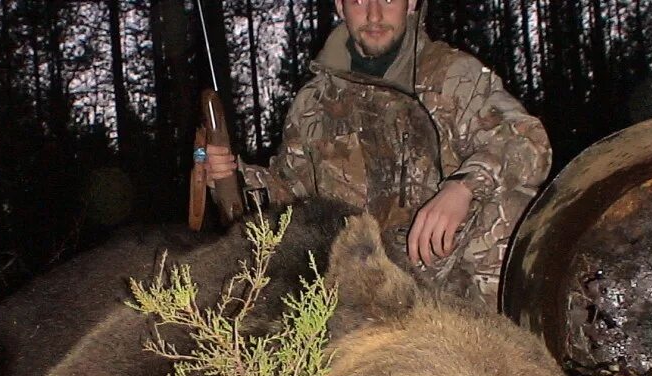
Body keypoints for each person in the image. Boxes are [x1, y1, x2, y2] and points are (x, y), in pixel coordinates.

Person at [202, 0, 552, 310]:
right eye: (357, 0)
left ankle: (500, 348)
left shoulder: (453, 75)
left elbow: (528, 141)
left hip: (438, 261)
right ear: (340, 7)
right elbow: (289, 195)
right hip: (352, 270)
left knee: (512, 203)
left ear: (411, 3)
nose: (373, 14)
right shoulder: (312, 102)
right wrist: (231, 175)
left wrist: (461, 188)